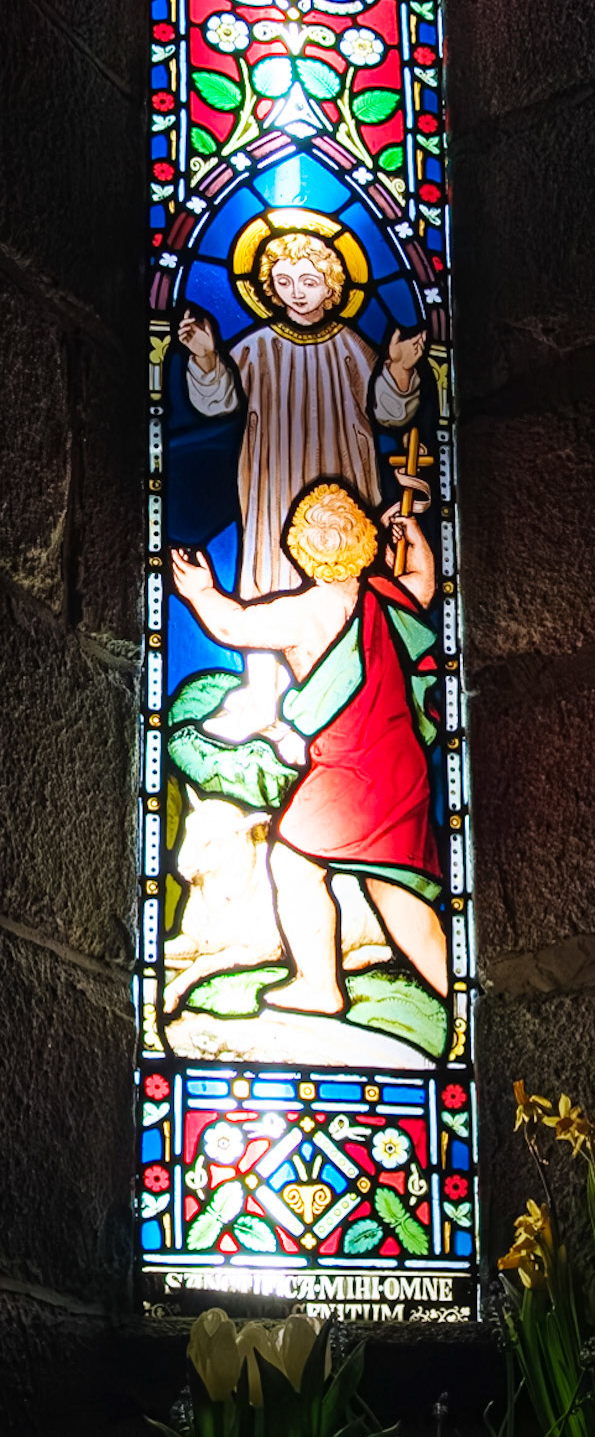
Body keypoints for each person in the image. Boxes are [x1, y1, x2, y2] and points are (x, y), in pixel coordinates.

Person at [172, 482, 447, 1015]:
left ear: (301, 548)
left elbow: (234, 625)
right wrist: (414, 536)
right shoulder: (384, 597)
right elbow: (423, 585)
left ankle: (320, 986)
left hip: (348, 767)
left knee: (294, 861)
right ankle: (455, 998)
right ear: (362, 540)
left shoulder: (306, 612)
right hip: (401, 766)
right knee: (393, 889)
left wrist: (200, 591)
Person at [179, 227, 427, 735]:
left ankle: (357, 688)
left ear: (332, 286)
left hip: (344, 479)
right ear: (268, 286)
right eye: (284, 280)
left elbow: (390, 411)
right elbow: (217, 402)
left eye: (310, 281)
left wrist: (400, 369)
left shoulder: (353, 347)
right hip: (273, 482)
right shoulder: (256, 346)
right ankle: (262, 693)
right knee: (268, 571)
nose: (296, 291)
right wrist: (205, 358)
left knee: (350, 577)